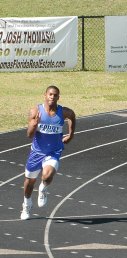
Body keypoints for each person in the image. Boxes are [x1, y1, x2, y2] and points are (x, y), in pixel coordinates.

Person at [20, 86, 76, 220]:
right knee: (29, 181)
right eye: (50, 94)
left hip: (54, 151)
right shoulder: (36, 111)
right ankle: (27, 204)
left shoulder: (63, 112)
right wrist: (34, 124)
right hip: (37, 153)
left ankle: (43, 189)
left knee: (47, 175)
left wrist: (71, 134)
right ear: (45, 95)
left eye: (55, 95)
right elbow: (29, 135)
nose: (52, 97)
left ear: (58, 97)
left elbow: (72, 116)